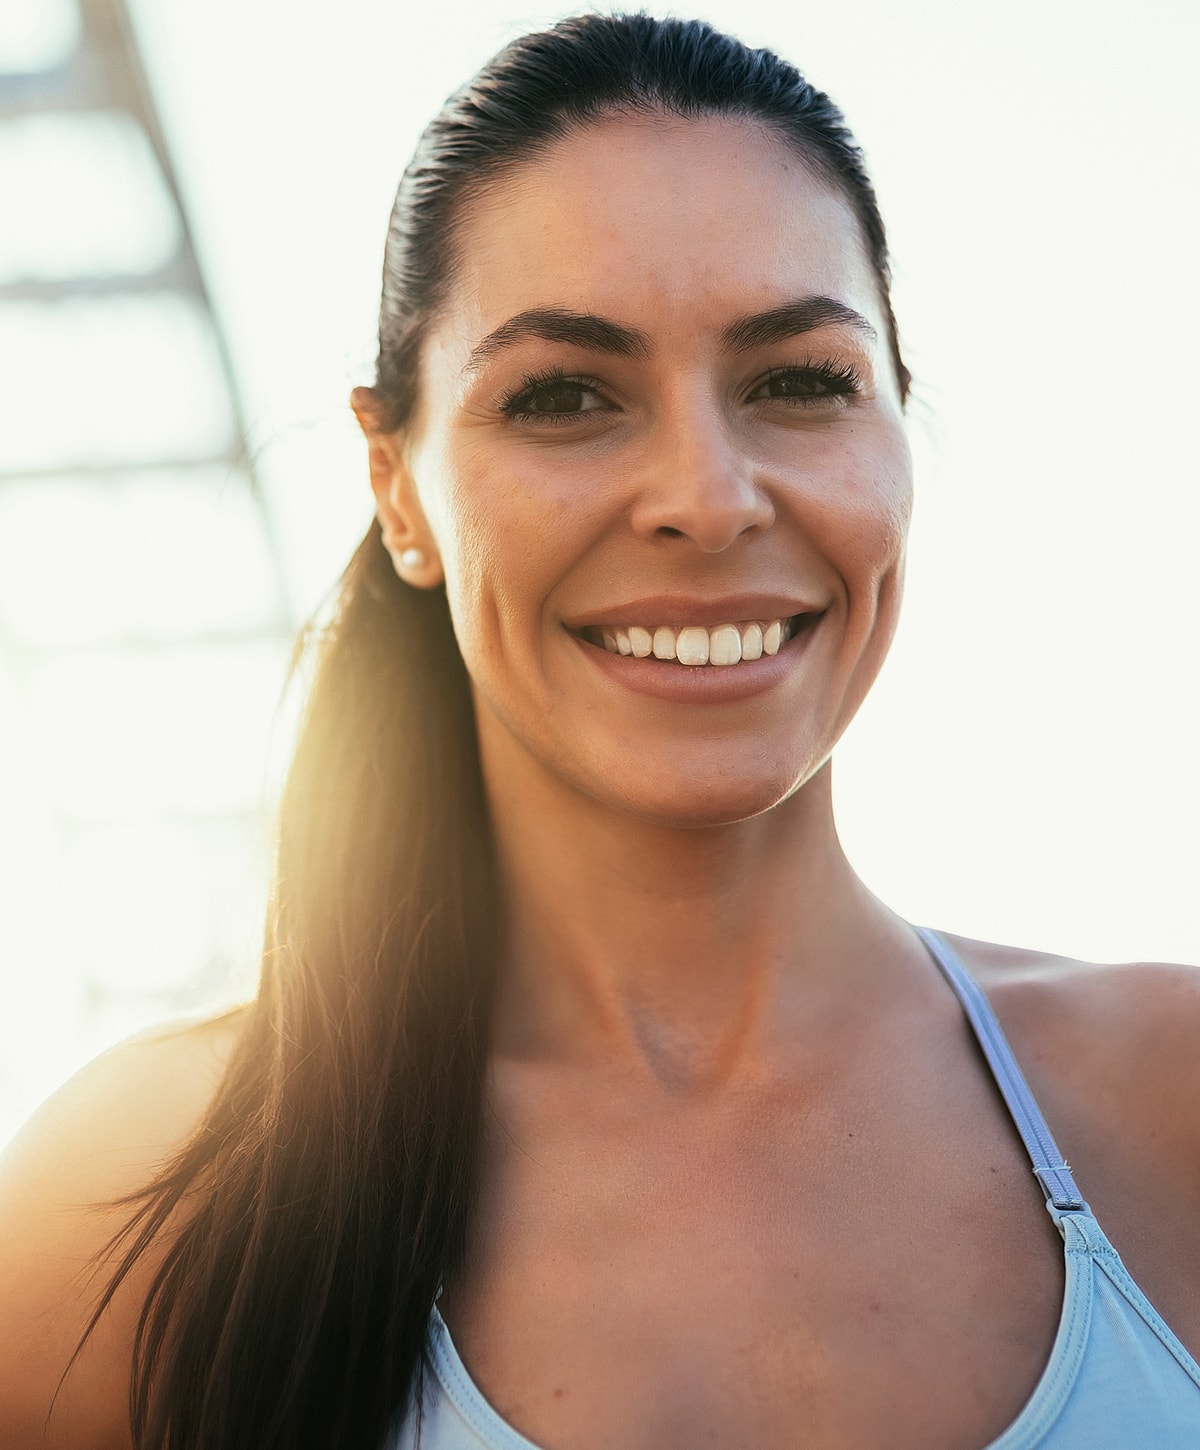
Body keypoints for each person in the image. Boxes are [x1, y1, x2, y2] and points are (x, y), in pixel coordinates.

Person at [2, 12, 1199, 1449]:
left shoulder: (1174, 1102)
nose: (708, 495)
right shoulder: (130, 1205)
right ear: (397, 486)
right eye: (564, 397)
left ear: (899, 427)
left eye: (799, 381)